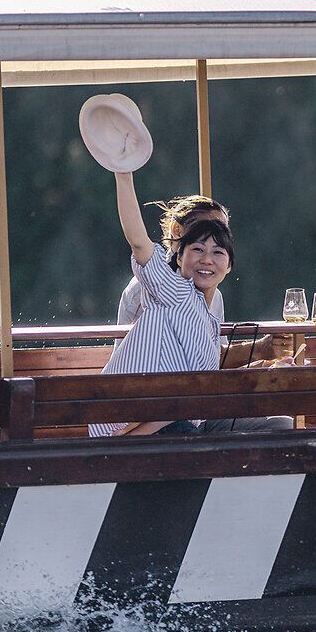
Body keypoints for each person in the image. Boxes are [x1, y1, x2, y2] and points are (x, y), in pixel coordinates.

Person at [91, 171, 234, 437]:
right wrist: (124, 175)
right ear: (179, 255)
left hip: (174, 418)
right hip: (134, 417)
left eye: (218, 250)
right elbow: (137, 240)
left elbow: (195, 390)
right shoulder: (172, 288)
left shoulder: (210, 310)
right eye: (198, 249)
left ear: (229, 265)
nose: (207, 260)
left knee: (276, 427)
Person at [118, 195, 228, 327]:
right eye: (204, 229)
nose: (215, 235)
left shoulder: (215, 296)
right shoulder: (151, 284)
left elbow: (216, 347)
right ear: (177, 230)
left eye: (222, 232)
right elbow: (137, 242)